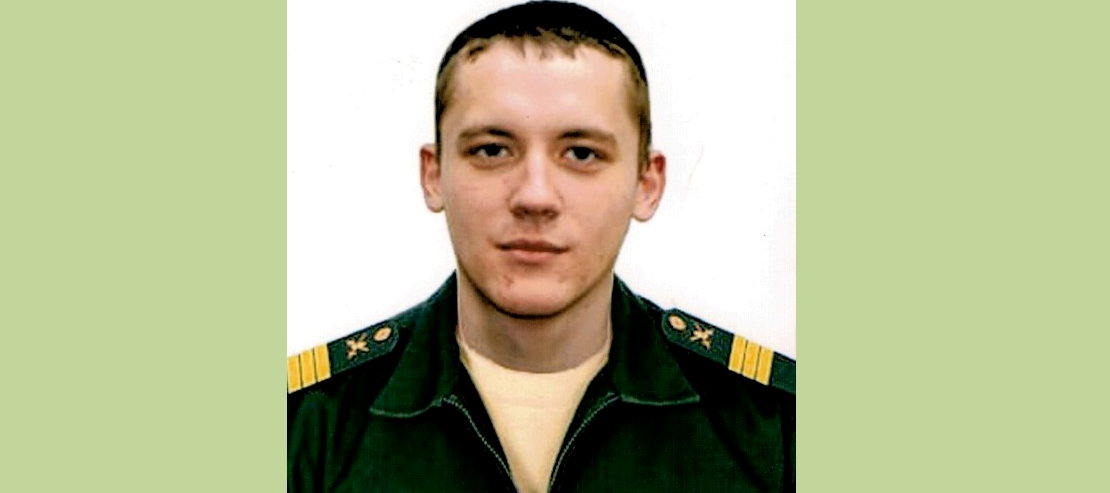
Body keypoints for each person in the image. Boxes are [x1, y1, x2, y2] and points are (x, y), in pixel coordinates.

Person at [287, 2, 795, 492]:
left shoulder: (775, 429)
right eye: (491, 150)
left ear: (647, 183)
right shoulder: (302, 429)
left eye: (581, 154)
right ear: (433, 174)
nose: (535, 197)